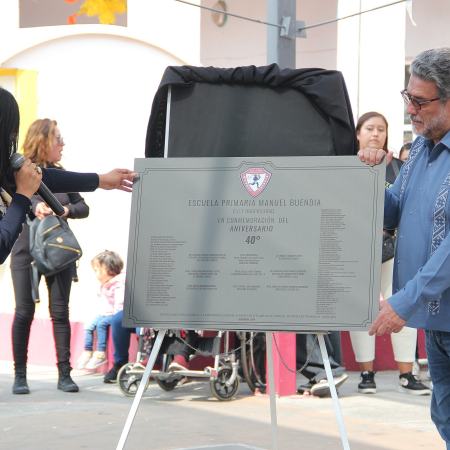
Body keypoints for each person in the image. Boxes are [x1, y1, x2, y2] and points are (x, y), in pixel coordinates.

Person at [0, 87, 135, 393]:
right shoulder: (18, 181)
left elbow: (46, 178)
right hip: (25, 249)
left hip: (57, 251)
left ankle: (65, 373)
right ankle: (20, 375)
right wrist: (23, 198)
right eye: (9, 130)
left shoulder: (13, 169)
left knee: (59, 311)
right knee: (24, 310)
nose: (12, 139)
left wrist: (101, 180)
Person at [358, 48, 450, 448]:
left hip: (434, 306)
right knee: (444, 414)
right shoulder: (421, 150)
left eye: (420, 101)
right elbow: (393, 209)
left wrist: (406, 300)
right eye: (407, 97)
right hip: (438, 321)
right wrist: (369, 176)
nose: (410, 109)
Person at [350, 112, 430, 395]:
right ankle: (366, 373)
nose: (376, 134)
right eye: (369, 128)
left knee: (401, 306)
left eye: (381, 129)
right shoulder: (347, 166)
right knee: (361, 311)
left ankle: (407, 374)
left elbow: (403, 207)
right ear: (357, 133)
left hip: (393, 249)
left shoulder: (398, 166)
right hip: (357, 249)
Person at [77, 250, 125, 371]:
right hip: (104, 313)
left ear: (109, 269)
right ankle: (87, 351)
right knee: (89, 325)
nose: (96, 274)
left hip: (115, 314)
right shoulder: (105, 283)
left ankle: (100, 354)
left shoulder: (118, 284)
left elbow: (120, 304)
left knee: (101, 324)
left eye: (97, 270)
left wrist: (114, 316)